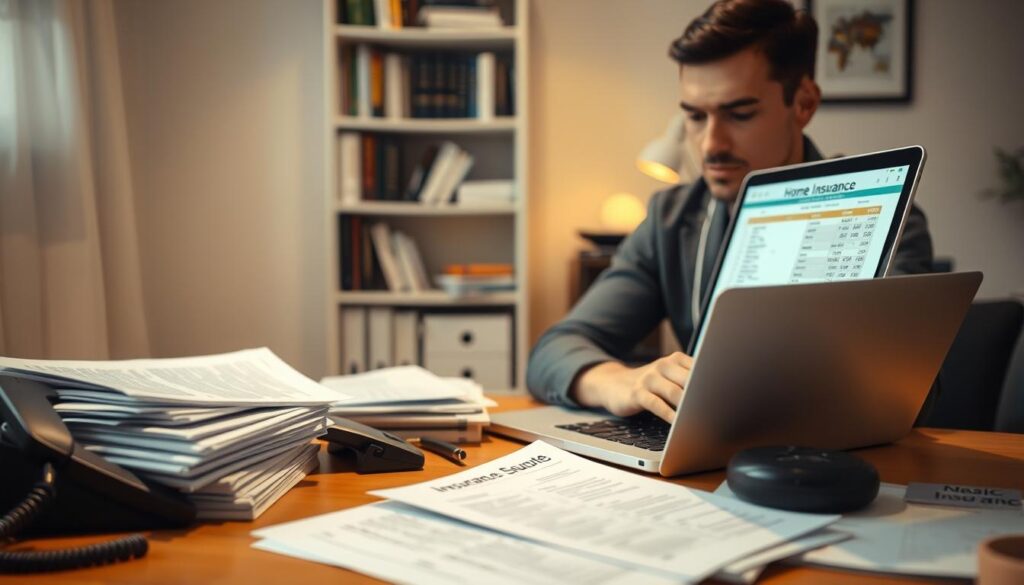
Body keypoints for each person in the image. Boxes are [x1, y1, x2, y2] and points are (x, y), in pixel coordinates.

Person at [526, 0, 933, 423]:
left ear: (804, 103)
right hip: (699, 453)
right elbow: (553, 350)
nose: (711, 145)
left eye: (739, 114)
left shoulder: (888, 217)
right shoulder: (670, 219)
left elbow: (910, 389)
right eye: (694, 116)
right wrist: (620, 382)